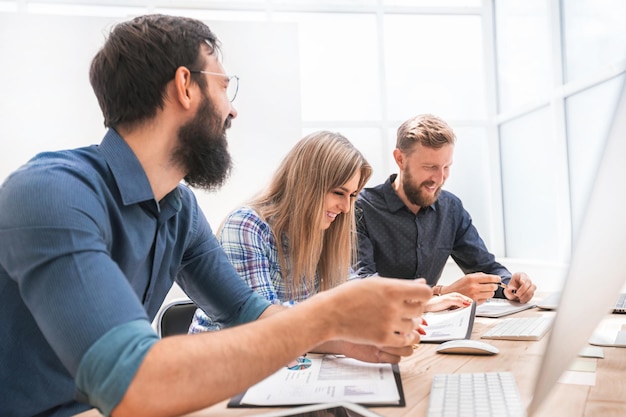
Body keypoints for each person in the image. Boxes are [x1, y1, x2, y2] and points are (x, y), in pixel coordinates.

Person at [0, 15, 433, 417]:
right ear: (186, 86)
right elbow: (132, 381)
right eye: (225, 87)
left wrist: (351, 339)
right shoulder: (50, 193)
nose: (232, 110)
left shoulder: (178, 207)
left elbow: (248, 311)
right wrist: (330, 315)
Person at [190, 131, 470, 336]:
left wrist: (422, 304)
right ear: (305, 185)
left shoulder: (324, 228)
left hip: (288, 366)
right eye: (338, 193)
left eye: (352, 195)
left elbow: (352, 289)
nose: (346, 207)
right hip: (226, 375)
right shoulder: (247, 226)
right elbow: (264, 324)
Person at [354, 113, 536, 305]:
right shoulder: (361, 208)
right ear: (400, 159)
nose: (439, 178)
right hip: (377, 328)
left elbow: (484, 266)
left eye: (446, 167)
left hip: (436, 329)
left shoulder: (451, 208)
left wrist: (511, 287)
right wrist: (441, 293)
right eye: (429, 166)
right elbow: (362, 286)